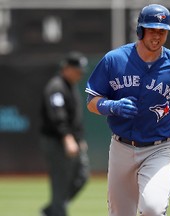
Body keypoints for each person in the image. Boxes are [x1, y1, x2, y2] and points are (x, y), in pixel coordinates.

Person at [85, 4, 170, 216]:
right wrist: (110, 106)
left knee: (153, 208)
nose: (157, 36)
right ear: (140, 30)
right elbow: (91, 101)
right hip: (121, 147)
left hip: (159, 148)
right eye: (152, 29)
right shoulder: (114, 60)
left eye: (162, 31)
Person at [40, 51, 90, 216]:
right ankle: (56, 210)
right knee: (60, 183)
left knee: (82, 175)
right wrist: (67, 137)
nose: (80, 74)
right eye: (77, 70)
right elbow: (58, 115)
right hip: (58, 141)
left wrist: (79, 138)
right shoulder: (56, 86)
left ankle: (52, 209)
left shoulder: (70, 86)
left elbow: (74, 117)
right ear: (67, 68)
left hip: (71, 139)